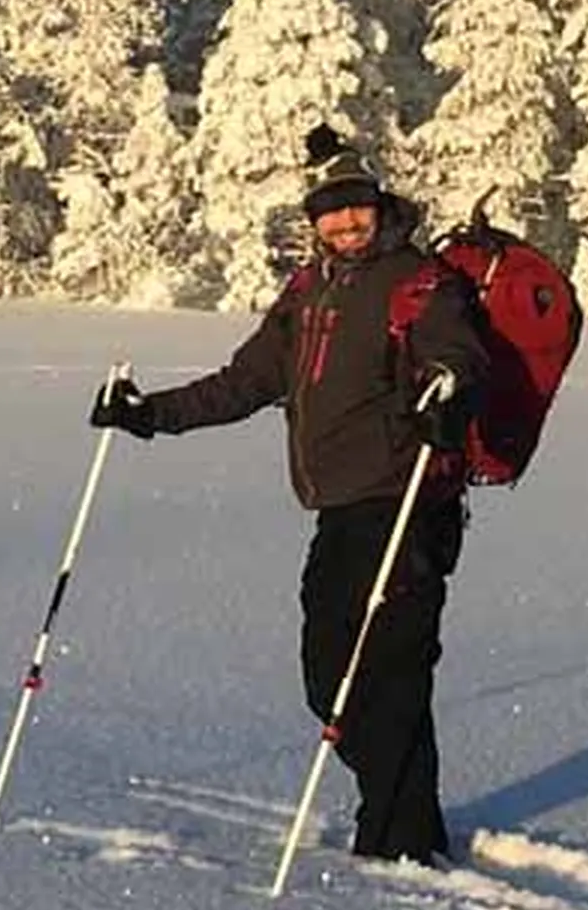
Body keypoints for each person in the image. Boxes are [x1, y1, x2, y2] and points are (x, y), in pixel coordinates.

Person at [87, 166, 491, 863]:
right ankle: (402, 822)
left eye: (357, 212)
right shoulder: (309, 291)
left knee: (386, 670)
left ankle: (399, 842)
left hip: (404, 503)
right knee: (330, 669)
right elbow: (245, 382)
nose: (345, 226)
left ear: (379, 210)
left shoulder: (419, 280)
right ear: (315, 223)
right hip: (341, 509)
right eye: (331, 217)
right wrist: (151, 414)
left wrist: (448, 389)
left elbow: (458, 355)